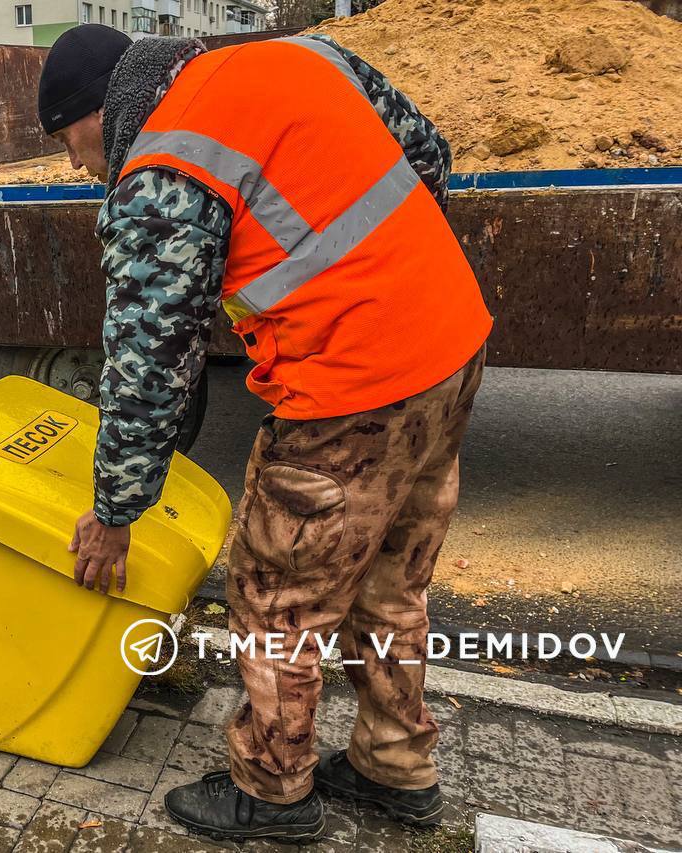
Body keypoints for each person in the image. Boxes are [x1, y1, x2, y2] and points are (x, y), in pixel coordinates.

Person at [42, 25, 492, 842]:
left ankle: (273, 788)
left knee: (277, 593)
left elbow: (148, 367)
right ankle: (396, 765)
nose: (77, 164)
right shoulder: (299, 57)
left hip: (351, 391)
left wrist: (114, 513)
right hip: (451, 344)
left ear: (99, 111)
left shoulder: (162, 163)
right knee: (389, 572)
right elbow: (427, 153)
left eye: (67, 139)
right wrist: (384, 278)